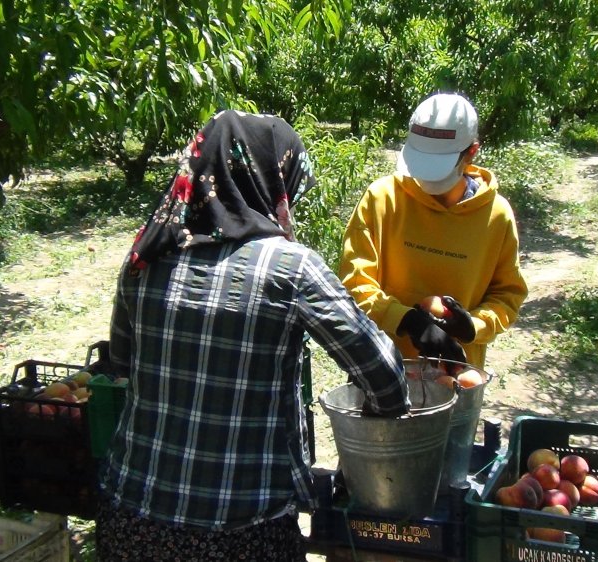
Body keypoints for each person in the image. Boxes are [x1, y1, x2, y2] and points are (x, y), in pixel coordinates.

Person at [97, 110, 411, 561]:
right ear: (273, 183)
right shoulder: (290, 268)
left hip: (133, 518)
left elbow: (122, 364)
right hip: (240, 531)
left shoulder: (147, 255)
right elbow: (386, 380)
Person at [338, 92, 528, 369]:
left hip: (455, 370)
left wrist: (472, 326)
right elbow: (355, 283)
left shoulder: (495, 216)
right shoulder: (382, 199)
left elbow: (507, 296)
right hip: (381, 367)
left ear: (472, 152)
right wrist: (407, 321)